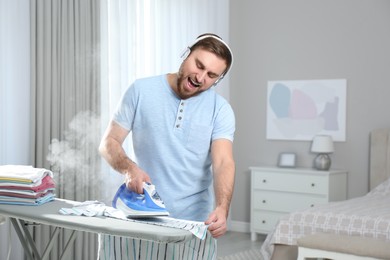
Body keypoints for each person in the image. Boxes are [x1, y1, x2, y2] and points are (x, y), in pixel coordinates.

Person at [98, 33, 235, 259]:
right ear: (186, 54)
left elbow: (223, 162)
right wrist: (129, 169)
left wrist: (222, 207)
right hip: (139, 219)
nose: (200, 78)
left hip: (192, 223)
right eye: (198, 65)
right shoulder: (141, 90)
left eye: (211, 75)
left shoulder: (220, 110)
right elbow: (108, 143)